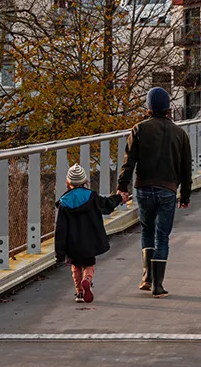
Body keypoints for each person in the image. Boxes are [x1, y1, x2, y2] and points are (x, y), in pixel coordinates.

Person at [117, 86, 192, 298]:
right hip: (167, 190)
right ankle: (158, 285)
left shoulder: (139, 129)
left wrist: (123, 187)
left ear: (149, 107)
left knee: (147, 231)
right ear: (168, 106)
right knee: (162, 236)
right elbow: (186, 168)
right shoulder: (180, 133)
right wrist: (185, 195)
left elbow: (128, 162)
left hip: (143, 188)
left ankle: (146, 277)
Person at [55, 163, 125, 303]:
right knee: (89, 264)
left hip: (72, 243)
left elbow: (60, 230)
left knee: (76, 266)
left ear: (68, 182)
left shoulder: (64, 203)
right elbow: (107, 204)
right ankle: (87, 279)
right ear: (85, 182)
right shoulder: (92, 197)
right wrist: (119, 198)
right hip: (90, 241)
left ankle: (80, 292)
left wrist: (59, 253)